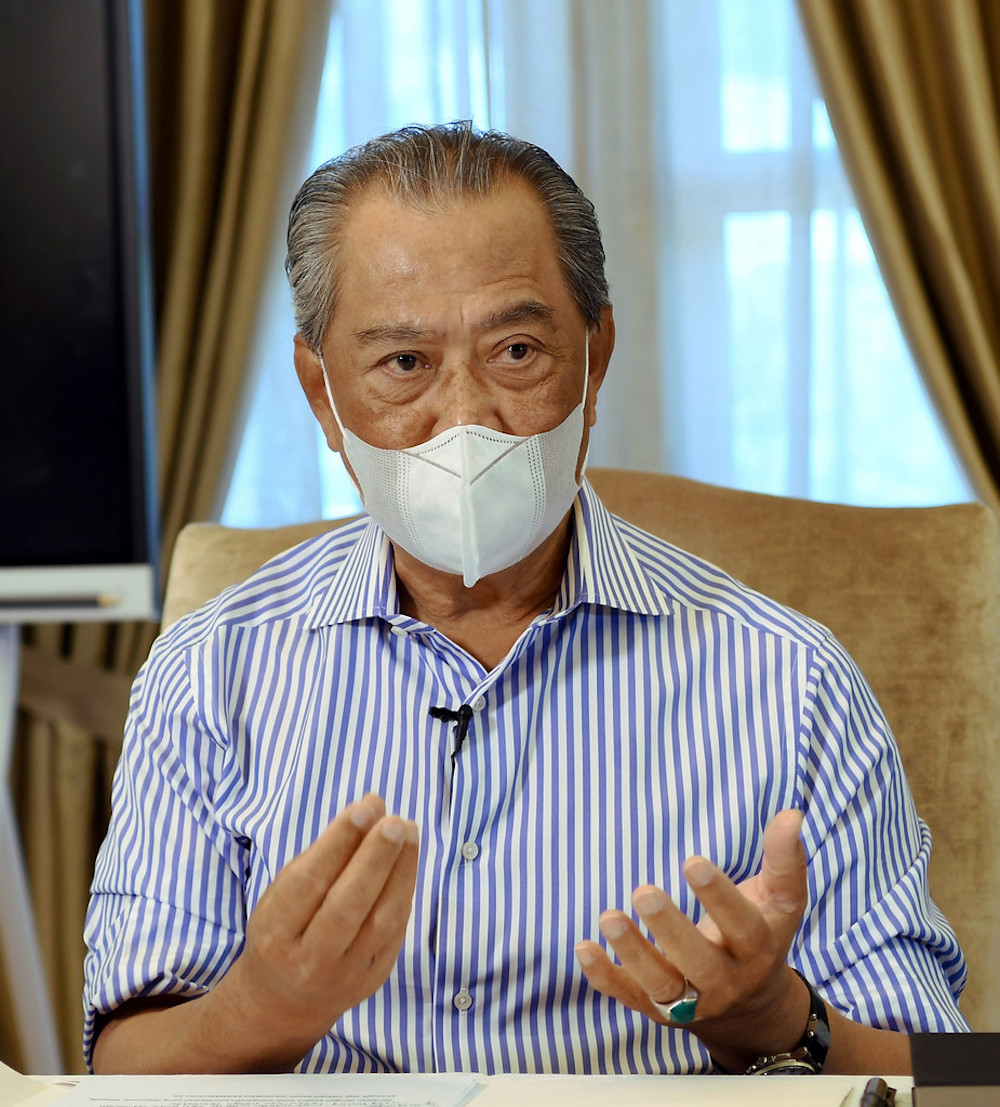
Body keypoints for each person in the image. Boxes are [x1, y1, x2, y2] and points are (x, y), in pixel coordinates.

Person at [83, 122, 967, 1077]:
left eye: (515, 351)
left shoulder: (791, 681)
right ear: (319, 392)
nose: (464, 421)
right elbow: (123, 1064)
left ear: (596, 356)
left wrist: (778, 1016)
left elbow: (960, 1079)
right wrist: (260, 1008)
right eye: (404, 365)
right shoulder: (209, 672)